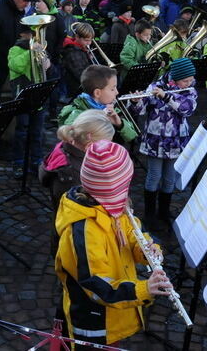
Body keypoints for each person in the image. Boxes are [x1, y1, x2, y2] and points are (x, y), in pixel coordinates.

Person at [55, 139, 171, 346]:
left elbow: (134, 233)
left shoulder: (116, 208)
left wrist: (147, 250)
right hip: (95, 322)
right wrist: (144, 289)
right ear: (112, 189)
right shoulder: (84, 231)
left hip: (114, 312)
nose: (127, 192)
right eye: (124, 186)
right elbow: (97, 286)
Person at [129, 58, 196, 229]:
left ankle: (164, 212)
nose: (189, 82)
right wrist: (135, 101)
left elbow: (186, 109)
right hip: (155, 140)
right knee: (154, 176)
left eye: (190, 79)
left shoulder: (190, 90)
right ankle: (149, 215)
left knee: (169, 178)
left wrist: (166, 97)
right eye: (185, 80)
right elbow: (140, 111)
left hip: (175, 140)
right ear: (174, 78)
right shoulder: (154, 87)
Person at [40, 109, 116, 253]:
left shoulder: (66, 146)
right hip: (74, 243)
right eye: (106, 145)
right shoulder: (72, 173)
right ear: (89, 143)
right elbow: (80, 212)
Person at [8, 23, 51, 177]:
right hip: (23, 96)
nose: (33, 37)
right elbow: (15, 65)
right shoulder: (15, 49)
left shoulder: (39, 48)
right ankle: (18, 163)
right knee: (22, 132)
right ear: (22, 35)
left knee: (37, 133)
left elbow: (46, 66)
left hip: (38, 96)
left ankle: (36, 161)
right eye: (30, 34)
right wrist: (30, 52)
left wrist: (45, 59)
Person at [58, 64, 138, 144]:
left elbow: (132, 137)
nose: (117, 92)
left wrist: (120, 124)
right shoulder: (77, 114)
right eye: (112, 89)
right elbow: (74, 143)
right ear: (97, 93)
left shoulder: (109, 107)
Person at [61, 21, 95, 95]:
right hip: (77, 89)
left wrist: (89, 58)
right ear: (77, 37)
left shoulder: (81, 49)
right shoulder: (72, 51)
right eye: (86, 40)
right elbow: (81, 75)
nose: (89, 43)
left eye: (91, 40)